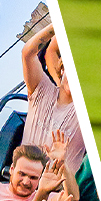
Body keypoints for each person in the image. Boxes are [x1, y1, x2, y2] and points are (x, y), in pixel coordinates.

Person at [20, 24, 85, 174]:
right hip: (22, 179)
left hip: (56, 191)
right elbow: (27, 53)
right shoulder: (42, 89)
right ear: (62, 68)